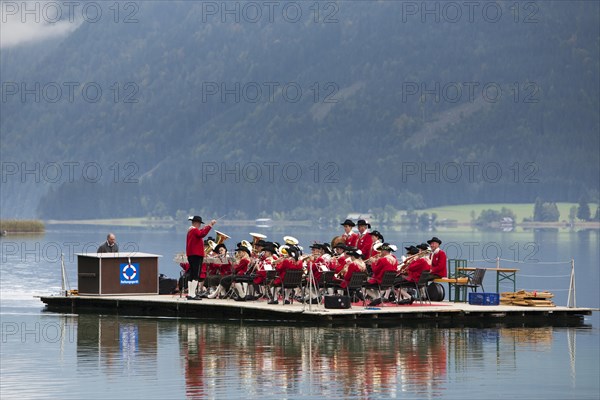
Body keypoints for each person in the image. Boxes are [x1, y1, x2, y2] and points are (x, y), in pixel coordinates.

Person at [186, 215, 216, 300]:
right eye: (199, 223)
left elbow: (201, 232)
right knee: (196, 274)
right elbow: (202, 233)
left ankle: (190, 293)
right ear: (196, 223)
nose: (199, 225)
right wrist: (210, 225)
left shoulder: (191, 230)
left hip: (191, 254)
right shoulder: (194, 230)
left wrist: (208, 226)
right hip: (196, 255)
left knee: (192, 274)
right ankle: (192, 294)